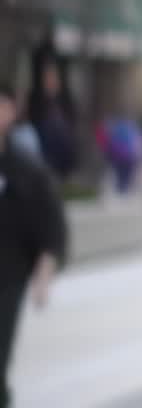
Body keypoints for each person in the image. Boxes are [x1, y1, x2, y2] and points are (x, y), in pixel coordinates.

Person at [0, 83, 68, 408]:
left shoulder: (27, 169)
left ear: (11, 112)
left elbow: (51, 226)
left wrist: (45, 271)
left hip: (7, 275)